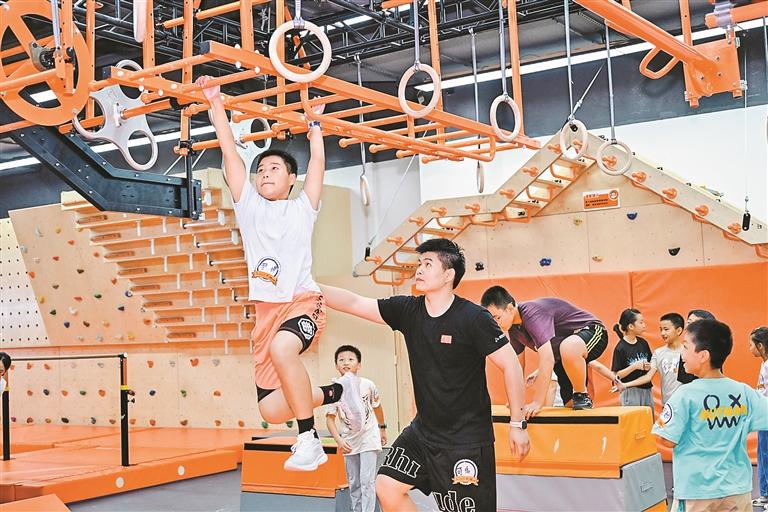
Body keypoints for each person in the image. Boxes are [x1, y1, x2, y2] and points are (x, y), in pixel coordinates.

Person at [198, 76, 364, 472]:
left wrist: (316, 127)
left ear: (291, 179)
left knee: (283, 350)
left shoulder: (302, 208)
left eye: (275, 168)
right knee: (272, 409)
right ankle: (339, 391)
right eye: (261, 170)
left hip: (302, 302)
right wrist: (215, 104)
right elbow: (230, 152)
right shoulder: (248, 206)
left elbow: (318, 166)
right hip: (266, 314)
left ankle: (309, 439)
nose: (265, 174)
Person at [320, 238, 530, 512]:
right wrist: (306, 287)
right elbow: (354, 302)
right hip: (423, 433)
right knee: (386, 486)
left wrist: (517, 425)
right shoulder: (408, 310)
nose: (418, 269)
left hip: (465, 440)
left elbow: (511, 365)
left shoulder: (474, 318)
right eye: (419, 263)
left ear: (448, 275)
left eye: (428, 264)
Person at [653, 319, 768, 512]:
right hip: (737, 490)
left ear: (703, 356)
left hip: (697, 491)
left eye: (685, 347)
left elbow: (666, 439)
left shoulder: (684, 395)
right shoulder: (744, 392)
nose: (682, 354)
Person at [480, 287, 621, 413]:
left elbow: (547, 358)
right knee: (571, 406)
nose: (496, 323)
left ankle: (581, 394)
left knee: (569, 347)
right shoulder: (514, 330)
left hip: (592, 331)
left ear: (510, 308)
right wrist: (516, 400)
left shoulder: (531, 313)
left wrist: (538, 402)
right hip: (561, 355)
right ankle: (579, 402)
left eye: (497, 318)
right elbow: (517, 367)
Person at [326, 345, 386, 512]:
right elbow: (330, 419)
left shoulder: (368, 385)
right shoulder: (334, 390)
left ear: (358, 364)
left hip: (368, 436)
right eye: (341, 360)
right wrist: (339, 440)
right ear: (336, 365)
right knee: (354, 482)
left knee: (367, 481)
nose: (346, 363)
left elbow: (377, 407)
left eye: (351, 359)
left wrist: (382, 428)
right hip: (349, 440)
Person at [622, 313, 685, 406]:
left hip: (686, 404)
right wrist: (625, 385)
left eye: (666, 329)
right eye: (661, 330)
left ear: (678, 330)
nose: (662, 333)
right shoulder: (658, 353)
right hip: (667, 405)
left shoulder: (687, 352)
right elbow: (648, 377)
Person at [611, 309, 654, 417]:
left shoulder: (643, 343)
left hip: (646, 389)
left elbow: (650, 364)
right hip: (630, 391)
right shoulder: (620, 348)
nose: (644, 325)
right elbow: (616, 375)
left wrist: (647, 367)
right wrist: (634, 366)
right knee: (633, 423)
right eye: (641, 322)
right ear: (631, 326)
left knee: (648, 422)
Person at [749, 327, 768, 509]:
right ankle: (765, 494)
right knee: (763, 454)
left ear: (760, 346)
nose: (750, 349)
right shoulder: (764, 364)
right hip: (764, 415)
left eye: (751, 345)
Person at [677, 310, 716, 385]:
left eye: (696, 324)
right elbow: (683, 380)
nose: (690, 326)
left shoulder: (712, 350)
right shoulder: (685, 348)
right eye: (689, 322)